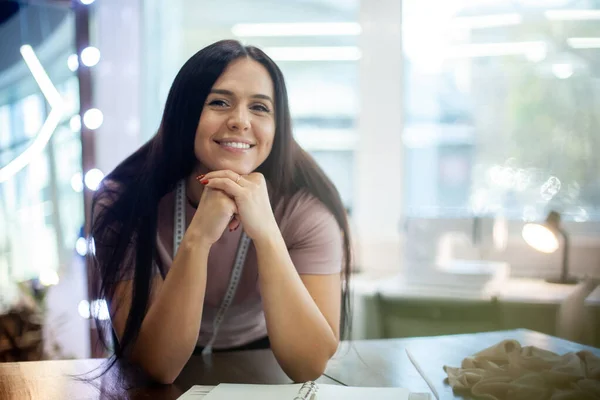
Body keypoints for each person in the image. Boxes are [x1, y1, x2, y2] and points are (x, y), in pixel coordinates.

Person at [91, 39, 352, 385]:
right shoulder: (123, 202)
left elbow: (307, 365)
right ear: (185, 113)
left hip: (266, 355)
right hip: (160, 369)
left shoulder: (308, 208)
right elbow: (158, 366)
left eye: (260, 108)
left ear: (278, 126)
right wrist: (198, 238)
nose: (240, 121)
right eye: (219, 102)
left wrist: (267, 233)